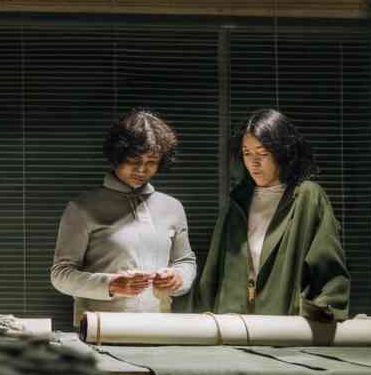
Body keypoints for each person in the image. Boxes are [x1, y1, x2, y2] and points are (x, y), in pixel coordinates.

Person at [197, 108, 350, 321]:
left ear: (282, 152)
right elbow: (212, 274)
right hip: (233, 324)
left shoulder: (307, 197)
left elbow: (330, 271)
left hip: (283, 326)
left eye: (263, 153)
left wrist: (321, 311)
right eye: (247, 153)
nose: (253, 163)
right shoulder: (237, 202)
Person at [50, 109, 196, 327]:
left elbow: (186, 261)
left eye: (152, 161)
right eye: (133, 159)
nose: (141, 169)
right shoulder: (82, 207)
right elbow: (61, 275)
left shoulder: (172, 207)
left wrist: (178, 278)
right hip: (99, 329)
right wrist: (110, 284)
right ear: (117, 155)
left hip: (161, 326)